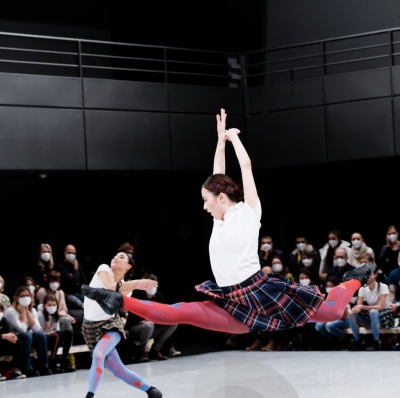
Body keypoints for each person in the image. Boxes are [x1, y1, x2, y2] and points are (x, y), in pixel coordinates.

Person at [82, 109, 375, 337]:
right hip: (230, 301)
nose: (204, 205)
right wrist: (219, 142)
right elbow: (217, 173)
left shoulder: (249, 212)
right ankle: (114, 300)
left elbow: (245, 167)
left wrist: (234, 137)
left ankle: (357, 276)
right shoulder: (219, 220)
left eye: (206, 199)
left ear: (221, 197)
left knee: (334, 311)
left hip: (261, 294)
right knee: (180, 311)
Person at [76, 251, 162, 398]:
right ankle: (152, 391)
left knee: (99, 354)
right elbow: (110, 287)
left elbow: (118, 295)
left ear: (128, 266)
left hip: (110, 326)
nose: (116, 257)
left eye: (121, 257)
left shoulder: (127, 288)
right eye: (116, 255)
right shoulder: (104, 269)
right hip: (89, 328)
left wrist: (136, 285)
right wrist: (138, 283)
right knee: (119, 371)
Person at [125, 274, 178, 362]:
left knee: (173, 323)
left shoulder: (158, 296)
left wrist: (155, 319)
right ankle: (142, 352)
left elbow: (164, 311)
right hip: (137, 328)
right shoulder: (137, 294)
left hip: (152, 327)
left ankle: (155, 349)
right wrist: (145, 319)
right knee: (148, 325)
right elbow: (132, 314)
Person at [4, 286, 50, 377]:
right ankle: (27, 367)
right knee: (27, 335)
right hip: (15, 339)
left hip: (28, 337)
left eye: (27, 295)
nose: (26, 298)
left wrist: (28, 313)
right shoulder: (11, 311)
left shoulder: (32, 310)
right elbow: (22, 330)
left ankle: (44, 366)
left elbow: (37, 329)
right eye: (22, 296)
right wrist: (23, 313)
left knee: (40, 335)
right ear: (17, 298)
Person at [37, 270, 75, 371]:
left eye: (57, 281)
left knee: (68, 332)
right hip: (45, 328)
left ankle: (64, 360)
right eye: (52, 281)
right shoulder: (42, 292)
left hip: (57, 319)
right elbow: (45, 311)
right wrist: (65, 314)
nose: (55, 284)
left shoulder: (60, 292)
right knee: (65, 323)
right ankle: (53, 362)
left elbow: (63, 308)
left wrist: (61, 313)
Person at [348, 268, 394, 351]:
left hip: (384, 316)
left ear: (375, 275)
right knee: (351, 313)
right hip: (371, 315)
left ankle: (376, 342)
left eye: (370, 274)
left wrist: (361, 307)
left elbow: (380, 307)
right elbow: (359, 305)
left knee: (373, 311)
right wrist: (356, 308)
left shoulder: (383, 286)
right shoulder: (362, 288)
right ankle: (357, 341)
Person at [315, 277, 350, 349]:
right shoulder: (328, 297)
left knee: (329, 325)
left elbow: (345, 316)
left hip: (346, 320)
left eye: (331, 286)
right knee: (318, 325)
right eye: (327, 286)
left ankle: (345, 341)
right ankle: (333, 341)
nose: (329, 288)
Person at [0, 303, 25, 379]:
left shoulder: (3, 319)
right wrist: (3, 336)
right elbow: (5, 335)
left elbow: (9, 331)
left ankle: (16, 370)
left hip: (2, 344)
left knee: (17, 342)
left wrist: (13, 337)